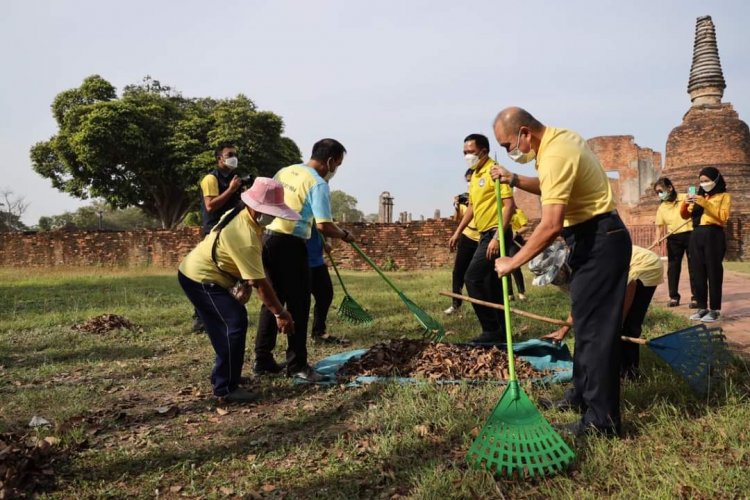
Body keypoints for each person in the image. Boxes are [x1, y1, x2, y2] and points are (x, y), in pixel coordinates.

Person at [491, 107, 632, 437]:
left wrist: (513, 262)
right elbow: (550, 185)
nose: (511, 152)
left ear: (525, 133)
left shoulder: (555, 152)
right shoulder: (558, 141)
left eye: (508, 144)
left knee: (597, 335)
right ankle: (580, 397)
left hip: (600, 239)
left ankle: (603, 422)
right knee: (585, 326)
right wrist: (514, 179)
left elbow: (551, 225)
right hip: (589, 238)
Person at [178, 178, 298, 403]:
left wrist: (242, 281)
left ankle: (226, 376)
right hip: (200, 278)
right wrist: (280, 313)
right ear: (254, 206)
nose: (272, 216)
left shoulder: (241, 215)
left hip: (206, 274)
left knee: (226, 326)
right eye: (268, 210)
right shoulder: (244, 234)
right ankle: (225, 388)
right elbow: (261, 284)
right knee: (233, 323)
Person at [254, 139, 356, 382]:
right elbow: (323, 224)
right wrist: (344, 235)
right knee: (299, 305)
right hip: (291, 244)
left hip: (268, 239)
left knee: (272, 301)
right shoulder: (318, 183)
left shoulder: (286, 171)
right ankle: (297, 365)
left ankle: (263, 360)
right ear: (330, 161)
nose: (335, 170)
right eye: (337, 164)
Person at [543, 245, 663, 379]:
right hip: (619, 270)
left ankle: (630, 374)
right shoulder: (569, 278)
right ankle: (611, 370)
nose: (554, 281)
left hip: (644, 265)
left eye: (555, 276)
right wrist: (563, 330)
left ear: (562, 266)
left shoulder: (589, 266)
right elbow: (580, 303)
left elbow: (630, 285)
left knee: (628, 326)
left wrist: (618, 321)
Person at [448, 134, 516, 343]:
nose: (468, 156)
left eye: (471, 152)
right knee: (491, 283)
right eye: (465, 153)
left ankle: (491, 329)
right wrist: (458, 232)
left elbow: (509, 206)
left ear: (484, 151)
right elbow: (472, 208)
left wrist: (496, 238)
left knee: (472, 278)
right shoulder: (476, 174)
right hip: (483, 233)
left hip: (497, 232)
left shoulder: (495, 171)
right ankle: (502, 332)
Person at [191, 142, 245, 333]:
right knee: (208, 275)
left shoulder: (235, 179)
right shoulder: (210, 179)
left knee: (227, 275)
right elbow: (210, 206)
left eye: (235, 154)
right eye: (229, 154)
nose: (233, 157)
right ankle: (200, 319)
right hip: (212, 232)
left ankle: (223, 312)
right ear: (219, 158)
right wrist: (230, 189)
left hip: (230, 231)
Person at [681, 167, 732, 323]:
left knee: (713, 271)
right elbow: (684, 216)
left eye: (707, 181)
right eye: (701, 181)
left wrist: (704, 203)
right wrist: (685, 203)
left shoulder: (724, 196)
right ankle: (702, 307)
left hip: (713, 234)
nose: (704, 184)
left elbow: (723, 217)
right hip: (696, 234)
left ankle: (715, 309)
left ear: (715, 180)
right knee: (697, 272)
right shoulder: (699, 196)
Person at [653, 177, 695, 308]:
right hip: (673, 238)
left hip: (690, 234)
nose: (660, 194)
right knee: (673, 268)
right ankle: (673, 297)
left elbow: (694, 209)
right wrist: (657, 238)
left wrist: (692, 200)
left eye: (661, 191)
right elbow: (659, 225)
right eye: (657, 192)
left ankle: (696, 298)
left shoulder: (684, 197)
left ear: (670, 188)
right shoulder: (662, 207)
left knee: (694, 267)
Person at [444, 169, 480, 315]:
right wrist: (457, 205)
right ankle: (456, 304)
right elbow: (457, 219)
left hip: (483, 237)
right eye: (468, 181)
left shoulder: (483, 194)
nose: (470, 183)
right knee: (458, 271)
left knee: (480, 275)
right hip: (467, 236)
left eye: (472, 180)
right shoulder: (465, 198)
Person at [307, 226, 351, 344]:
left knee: (325, 295)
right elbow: (324, 225)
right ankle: (296, 340)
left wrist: (328, 242)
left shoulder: (320, 210)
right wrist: (345, 235)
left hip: (318, 261)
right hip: (301, 261)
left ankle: (319, 332)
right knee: (301, 303)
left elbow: (326, 227)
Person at [507, 208, 528, 301]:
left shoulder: (518, 211)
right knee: (505, 267)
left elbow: (525, 227)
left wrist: (516, 233)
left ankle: (521, 292)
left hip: (514, 241)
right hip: (503, 240)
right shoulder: (499, 211)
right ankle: (509, 294)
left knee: (514, 267)